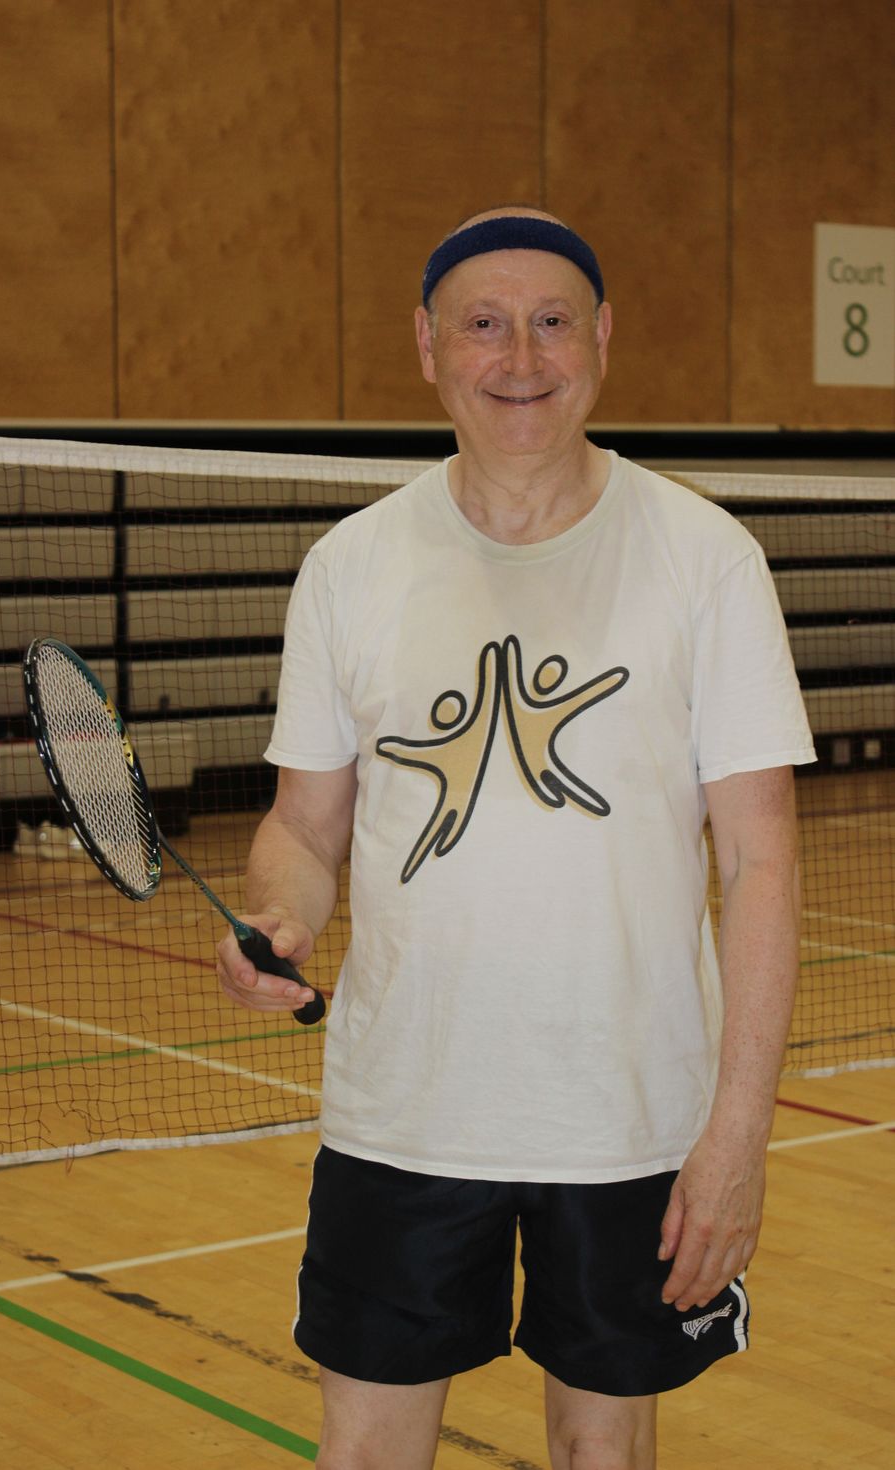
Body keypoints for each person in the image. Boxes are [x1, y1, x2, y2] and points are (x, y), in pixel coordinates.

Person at [216, 206, 816, 1469]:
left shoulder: (705, 558)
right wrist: (278, 913)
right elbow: (303, 827)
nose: (520, 357)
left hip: (632, 1119)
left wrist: (736, 1138)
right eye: (482, 324)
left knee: (605, 1451)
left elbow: (759, 863)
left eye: (551, 322)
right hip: (402, 1114)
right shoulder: (349, 566)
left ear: (601, 338)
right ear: (426, 346)